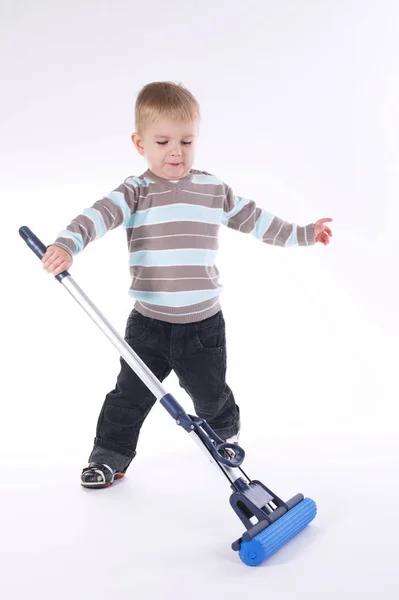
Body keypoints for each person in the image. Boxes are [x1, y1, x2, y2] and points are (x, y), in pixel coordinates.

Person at [42, 81, 333, 488]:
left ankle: (226, 436)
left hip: (203, 327)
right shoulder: (135, 191)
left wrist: (304, 232)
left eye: (186, 141)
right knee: (129, 396)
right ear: (139, 142)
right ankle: (108, 458)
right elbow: (96, 217)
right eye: (162, 141)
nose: (175, 151)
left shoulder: (212, 190)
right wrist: (66, 245)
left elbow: (258, 221)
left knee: (210, 396)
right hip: (148, 326)